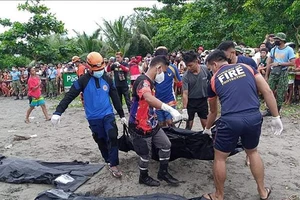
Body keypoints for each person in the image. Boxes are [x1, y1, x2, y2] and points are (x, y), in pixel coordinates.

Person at [200, 50, 283, 200]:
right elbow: (267, 91)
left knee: (220, 158)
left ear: (214, 64)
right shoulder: (248, 68)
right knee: (252, 152)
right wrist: (276, 116)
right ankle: (263, 192)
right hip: (253, 117)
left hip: (230, 120)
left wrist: (207, 129)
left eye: (210, 68)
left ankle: (218, 195)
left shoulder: (213, 80)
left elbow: (213, 111)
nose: (211, 71)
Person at [51, 52, 127, 178]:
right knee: (100, 139)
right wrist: (58, 112)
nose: (99, 71)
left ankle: (114, 164)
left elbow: (115, 97)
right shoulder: (83, 81)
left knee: (112, 136)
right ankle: (107, 159)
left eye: (101, 68)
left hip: (108, 114)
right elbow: (69, 96)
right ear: (89, 67)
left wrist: (121, 114)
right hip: (93, 117)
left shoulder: (107, 78)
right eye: (96, 69)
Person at [129, 55, 182, 187]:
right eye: (163, 71)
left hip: (151, 123)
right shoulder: (143, 82)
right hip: (139, 126)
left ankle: (163, 172)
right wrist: (169, 109)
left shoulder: (150, 82)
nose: (163, 74)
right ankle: (143, 176)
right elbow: (148, 98)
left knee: (166, 144)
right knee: (145, 154)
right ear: (158, 68)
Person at [263, 32, 296, 116]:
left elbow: (293, 63)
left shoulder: (289, 50)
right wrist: (266, 75)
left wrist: (280, 64)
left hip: (283, 73)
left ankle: (277, 111)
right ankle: (268, 109)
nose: (275, 41)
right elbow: (269, 63)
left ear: (282, 40)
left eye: (277, 39)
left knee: (280, 93)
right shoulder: (274, 49)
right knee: (269, 91)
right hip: (274, 72)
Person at [182, 50, 211, 130]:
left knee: (205, 123)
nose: (188, 68)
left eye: (190, 65)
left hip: (202, 100)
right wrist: (184, 109)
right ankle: (187, 140)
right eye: (187, 66)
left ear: (196, 62)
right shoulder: (186, 76)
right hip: (191, 102)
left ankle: (207, 139)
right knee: (189, 124)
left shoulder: (205, 69)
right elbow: (185, 93)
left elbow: (211, 81)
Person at [153, 46, 182, 127]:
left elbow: (179, 83)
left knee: (170, 122)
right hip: (157, 102)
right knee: (161, 124)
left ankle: (174, 139)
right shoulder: (153, 69)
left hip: (170, 100)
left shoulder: (172, 68)